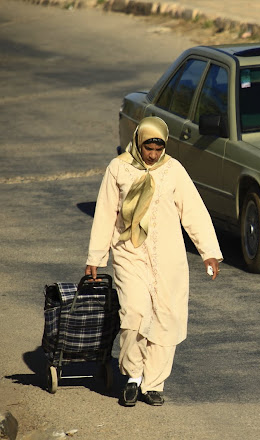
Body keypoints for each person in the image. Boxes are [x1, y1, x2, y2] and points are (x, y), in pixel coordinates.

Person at [85, 116, 222, 407]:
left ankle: (153, 383)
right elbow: (106, 213)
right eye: (149, 147)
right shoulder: (118, 168)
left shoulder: (173, 170)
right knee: (134, 313)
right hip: (129, 253)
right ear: (139, 142)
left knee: (166, 318)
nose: (153, 154)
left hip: (169, 258)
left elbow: (193, 212)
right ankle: (133, 377)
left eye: (159, 148)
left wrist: (208, 251)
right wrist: (96, 257)